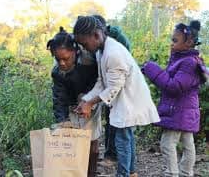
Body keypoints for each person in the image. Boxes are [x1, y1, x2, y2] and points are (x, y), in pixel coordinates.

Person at [73, 15, 160, 177]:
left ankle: (123, 174)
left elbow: (113, 88)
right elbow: (101, 83)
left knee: (122, 141)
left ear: (97, 35)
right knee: (126, 138)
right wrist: (86, 100)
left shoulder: (113, 53)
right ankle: (131, 172)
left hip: (130, 100)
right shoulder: (101, 51)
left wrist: (90, 103)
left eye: (84, 44)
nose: (84, 48)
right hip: (124, 100)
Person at [141, 20, 203, 177]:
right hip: (184, 111)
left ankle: (172, 173)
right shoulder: (186, 60)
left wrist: (152, 69)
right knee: (188, 144)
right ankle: (185, 173)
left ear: (189, 42)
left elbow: (174, 87)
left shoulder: (188, 62)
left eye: (175, 40)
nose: (171, 44)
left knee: (168, 144)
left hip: (178, 111)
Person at [47, 27, 102, 177]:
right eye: (58, 59)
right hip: (73, 105)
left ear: (75, 51)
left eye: (66, 58)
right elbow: (59, 98)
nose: (62, 63)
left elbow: (99, 82)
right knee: (73, 142)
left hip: (92, 100)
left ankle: (91, 172)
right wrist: (62, 120)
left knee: (91, 142)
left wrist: (87, 99)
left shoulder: (89, 61)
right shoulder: (57, 72)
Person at [92, 14, 132, 164]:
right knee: (110, 120)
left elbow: (121, 68)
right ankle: (114, 156)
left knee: (120, 126)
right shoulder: (100, 45)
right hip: (108, 83)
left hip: (120, 85)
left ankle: (116, 159)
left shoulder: (117, 41)